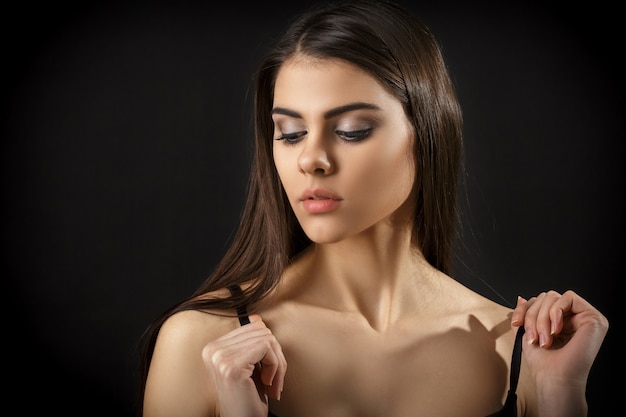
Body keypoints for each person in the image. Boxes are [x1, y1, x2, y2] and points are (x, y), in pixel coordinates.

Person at [137, 1, 609, 416]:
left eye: (352, 130)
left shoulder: (519, 351)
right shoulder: (200, 345)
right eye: (291, 133)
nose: (311, 160)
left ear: (426, 136)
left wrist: (558, 393)